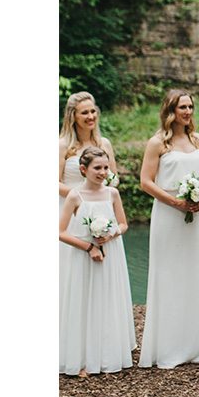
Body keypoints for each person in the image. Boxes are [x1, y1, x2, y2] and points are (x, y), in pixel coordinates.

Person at [137, 89, 199, 369]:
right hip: (168, 215)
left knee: (195, 273)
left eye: (190, 107)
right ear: (170, 110)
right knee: (169, 274)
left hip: (197, 215)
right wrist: (176, 201)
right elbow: (146, 182)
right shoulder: (157, 143)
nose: (187, 112)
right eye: (181, 107)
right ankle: (169, 347)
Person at [59, 147, 135, 377]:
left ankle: (105, 355)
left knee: (105, 300)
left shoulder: (112, 193)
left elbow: (123, 224)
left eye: (105, 167)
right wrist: (90, 247)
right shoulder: (74, 196)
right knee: (83, 302)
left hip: (110, 253)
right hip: (83, 256)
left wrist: (110, 235)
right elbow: (60, 232)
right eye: (97, 168)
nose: (103, 172)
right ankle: (81, 359)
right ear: (84, 169)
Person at [59, 91, 118, 210]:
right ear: (73, 116)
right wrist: (83, 197)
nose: (90, 117)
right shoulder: (62, 145)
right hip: (71, 208)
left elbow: (114, 179)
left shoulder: (104, 144)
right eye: (84, 113)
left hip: (100, 208)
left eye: (93, 111)